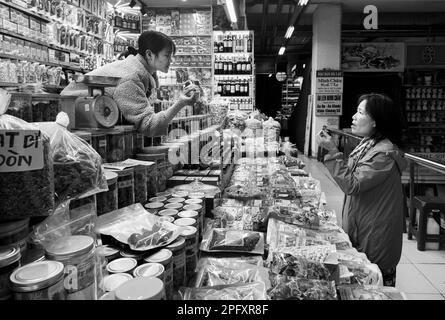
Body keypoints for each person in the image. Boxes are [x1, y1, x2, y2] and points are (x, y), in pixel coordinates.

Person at [316, 93, 407, 287]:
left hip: (375, 233)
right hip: (362, 223)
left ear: (375, 121)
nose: (353, 117)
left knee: (373, 286)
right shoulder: (368, 144)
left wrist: (332, 151)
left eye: (360, 112)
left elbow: (353, 184)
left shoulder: (384, 154)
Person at [61, 31, 199, 136]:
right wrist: (180, 103)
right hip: (71, 127)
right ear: (150, 55)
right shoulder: (131, 78)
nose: (170, 61)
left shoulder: (138, 71)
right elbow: (149, 126)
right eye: (167, 55)